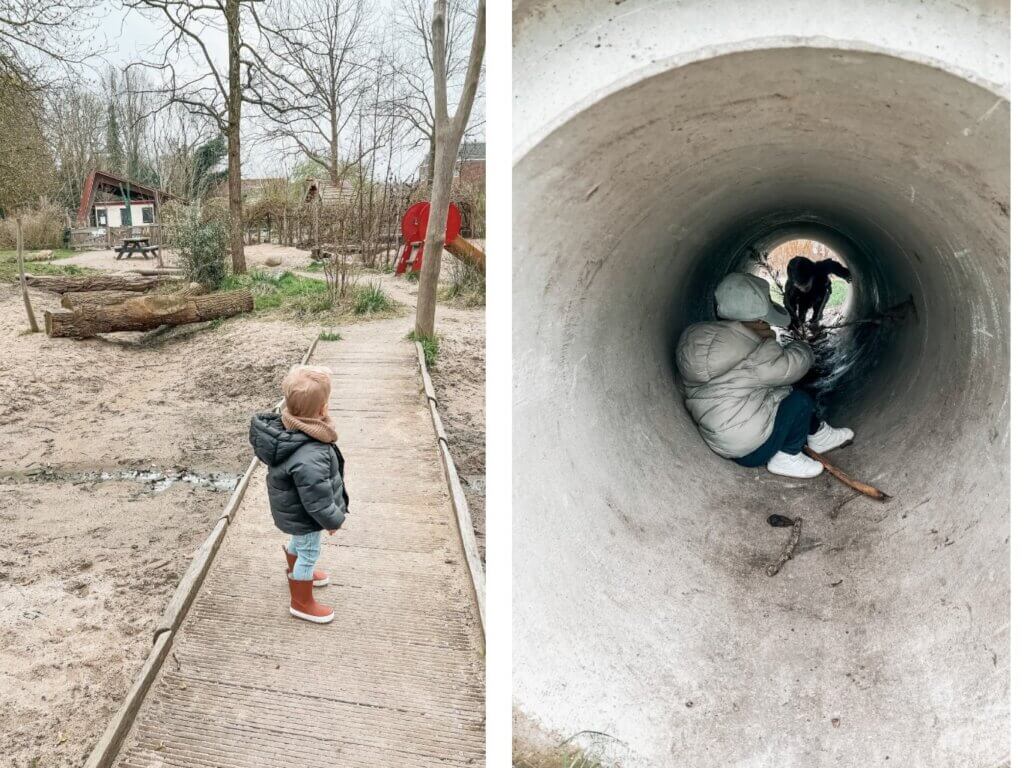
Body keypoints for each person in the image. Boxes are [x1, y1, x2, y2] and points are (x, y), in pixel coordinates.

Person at [676, 273, 854, 478]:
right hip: (753, 451)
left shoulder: (699, 337)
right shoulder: (754, 348)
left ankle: (819, 433)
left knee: (778, 391)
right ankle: (786, 457)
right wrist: (798, 344)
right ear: (759, 319)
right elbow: (794, 366)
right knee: (799, 399)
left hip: (723, 440)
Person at [250, 365, 349, 624]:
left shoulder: (290, 434)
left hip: (294, 511)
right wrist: (332, 520)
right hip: (305, 515)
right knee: (309, 551)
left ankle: (295, 570)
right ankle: (301, 602)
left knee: (299, 543)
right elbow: (316, 497)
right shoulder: (311, 452)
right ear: (322, 409)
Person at [784, 255, 852, 328]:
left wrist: (845, 274)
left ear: (812, 276)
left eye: (806, 286)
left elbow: (832, 265)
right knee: (800, 309)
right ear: (794, 283)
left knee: (819, 302)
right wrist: (792, 322)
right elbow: (789, 304)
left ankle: (815, 319)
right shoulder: (790, 286)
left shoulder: (818, 269)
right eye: (800, 287)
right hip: (801, 297)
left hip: (820, 289)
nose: (803, 289)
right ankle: (801, 321)